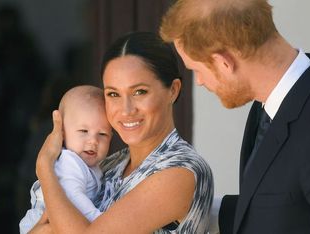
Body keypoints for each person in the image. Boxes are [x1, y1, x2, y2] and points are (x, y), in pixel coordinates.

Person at [160, 0, 310, 234]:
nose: (200, 81)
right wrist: (190, 206)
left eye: (196, 70)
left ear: (224, 62)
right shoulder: (271, 103)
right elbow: (282, 209)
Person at [30, 31, 214, 233]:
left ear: (173, 90)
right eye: (113, 94)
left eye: (139, 92)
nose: (126, 110)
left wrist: (45, 167)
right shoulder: (110, 165)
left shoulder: (180, 171)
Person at [19, 85, 112, 233]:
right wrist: (99, 222)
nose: (93, 141)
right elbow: (74, 197)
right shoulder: (69, 162)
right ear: (62, 132)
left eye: (102, 134)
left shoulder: (91, 165)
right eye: (83, 131)